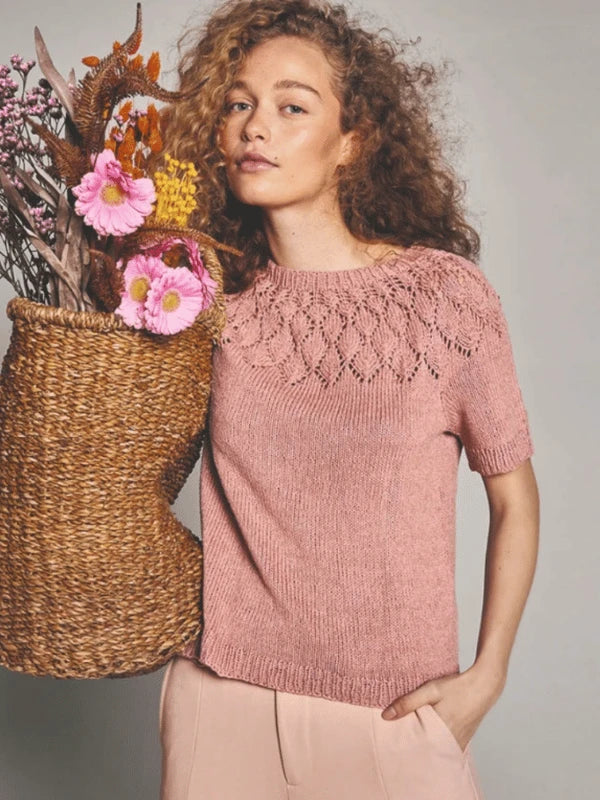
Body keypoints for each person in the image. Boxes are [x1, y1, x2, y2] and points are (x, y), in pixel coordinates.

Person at [156, 1, 540, 798]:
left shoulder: (446, 299)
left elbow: (516, 500)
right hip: (222, 705)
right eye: (238, 104)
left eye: (292, 107)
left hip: (395, 718)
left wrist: (487, 675)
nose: (255, 127)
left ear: (351, 143)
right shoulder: (202, 302)